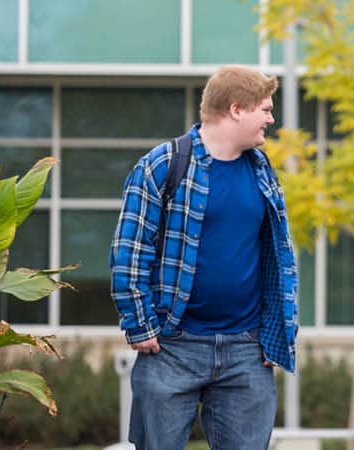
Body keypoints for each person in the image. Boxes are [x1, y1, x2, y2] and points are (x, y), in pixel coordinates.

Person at [109, 65, 299, 449]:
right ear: (235, 109)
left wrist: (277, 334)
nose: (271, 119)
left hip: (247, 350)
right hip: (171, 347)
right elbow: (129, 251)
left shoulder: (262, 171)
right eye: (265, 109)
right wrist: (140, 324)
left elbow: (279, 260)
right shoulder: (163, 165)